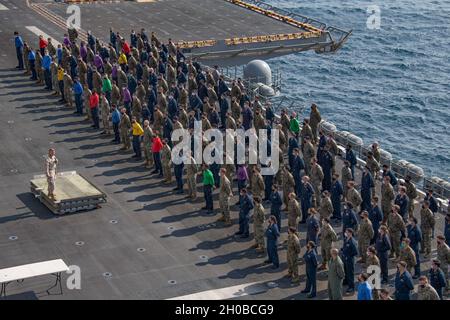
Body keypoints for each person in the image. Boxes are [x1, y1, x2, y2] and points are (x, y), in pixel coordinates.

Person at [341, 228, 358, 293]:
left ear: (350, 233)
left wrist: (348, 256)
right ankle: (346, 281)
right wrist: (343, 249)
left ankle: (351, 287)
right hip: (344, 259)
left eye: (347, 232)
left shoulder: (352, 241)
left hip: (350, 260)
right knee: (345, 270)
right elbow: (345, 247)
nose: (345, 233)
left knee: (350, 273)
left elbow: (355, 252)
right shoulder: (346, 239)